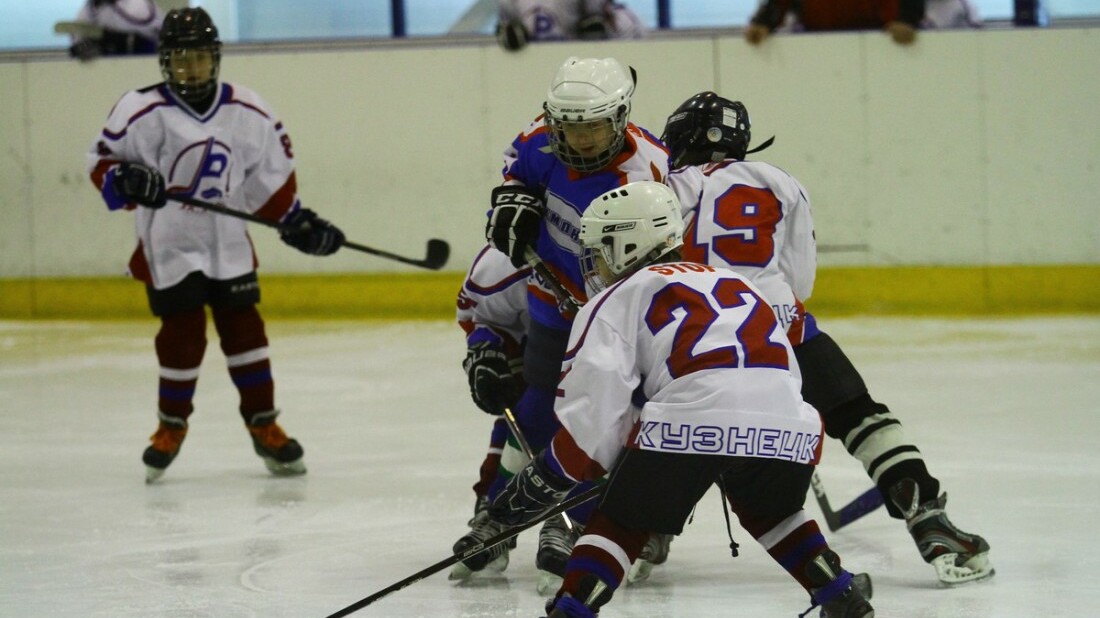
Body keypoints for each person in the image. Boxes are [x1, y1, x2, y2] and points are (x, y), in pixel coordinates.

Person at [488, 180, 875, 618]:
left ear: (627, 244)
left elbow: (592, 421)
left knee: (623, 520)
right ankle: (840, 593)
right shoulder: (738, 282)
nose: (594, 265)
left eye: (600, 251)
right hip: (791, 425)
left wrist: (547, 476)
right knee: (775, 513)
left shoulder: (617, 298)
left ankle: (573, 609)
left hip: (691, 419)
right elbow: (779, 371)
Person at [662, 91, 994, 585]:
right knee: (860, 414)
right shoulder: (780, 181)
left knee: (663, 427)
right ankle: (929, 519)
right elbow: (801, 282)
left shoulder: (665, 187)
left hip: (696, 338)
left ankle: (647, 531)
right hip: (782, 329)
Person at [85, 7, 346, 483]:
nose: (191, 68)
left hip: (228, 244)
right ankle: (171, 425)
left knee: (246, 331)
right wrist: (126, 179)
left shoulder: (248, 109)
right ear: (165, 62)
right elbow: (101, 164)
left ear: (216, 58)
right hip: (168, 245)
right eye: (181, 59)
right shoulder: (139, 110)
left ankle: (264, 424)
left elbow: (268, 180)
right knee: (181, 336)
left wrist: (296, 222)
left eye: (200, 57)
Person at [451, 55, 669, 592]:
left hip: (617, 315)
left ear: (620, 117)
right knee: (535, 411)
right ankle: (499, 519)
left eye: (594, 126)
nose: (581, 138)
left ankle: (595, 520)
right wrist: (512, 197)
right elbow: (515, 171)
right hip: (553, 306)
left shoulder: (646, 172)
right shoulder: (537, 140)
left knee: (610, 420)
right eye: (569, 126)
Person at [450, 244, 531, 577]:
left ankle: (631, 522)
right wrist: (487, 348)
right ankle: (497, 512)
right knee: (523, 404)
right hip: (543, 340)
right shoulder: (502, 262)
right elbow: (479, 316)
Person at [744, 0, 926, 46]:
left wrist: (906, 20)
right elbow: (777, 4)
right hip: (818, 44)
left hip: (877, 44)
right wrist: (764, 23)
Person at [495, 0, 646, 52]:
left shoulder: (625, 21)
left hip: (578, 65)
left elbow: (597, 22)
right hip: (533, 68)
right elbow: (507, 31)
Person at [65, 0, 165, 61]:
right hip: (109, 68)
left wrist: (115, 39)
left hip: (143, 61)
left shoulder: (137, 5)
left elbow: (160, 36)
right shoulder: (89, 9)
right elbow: (78, 40)